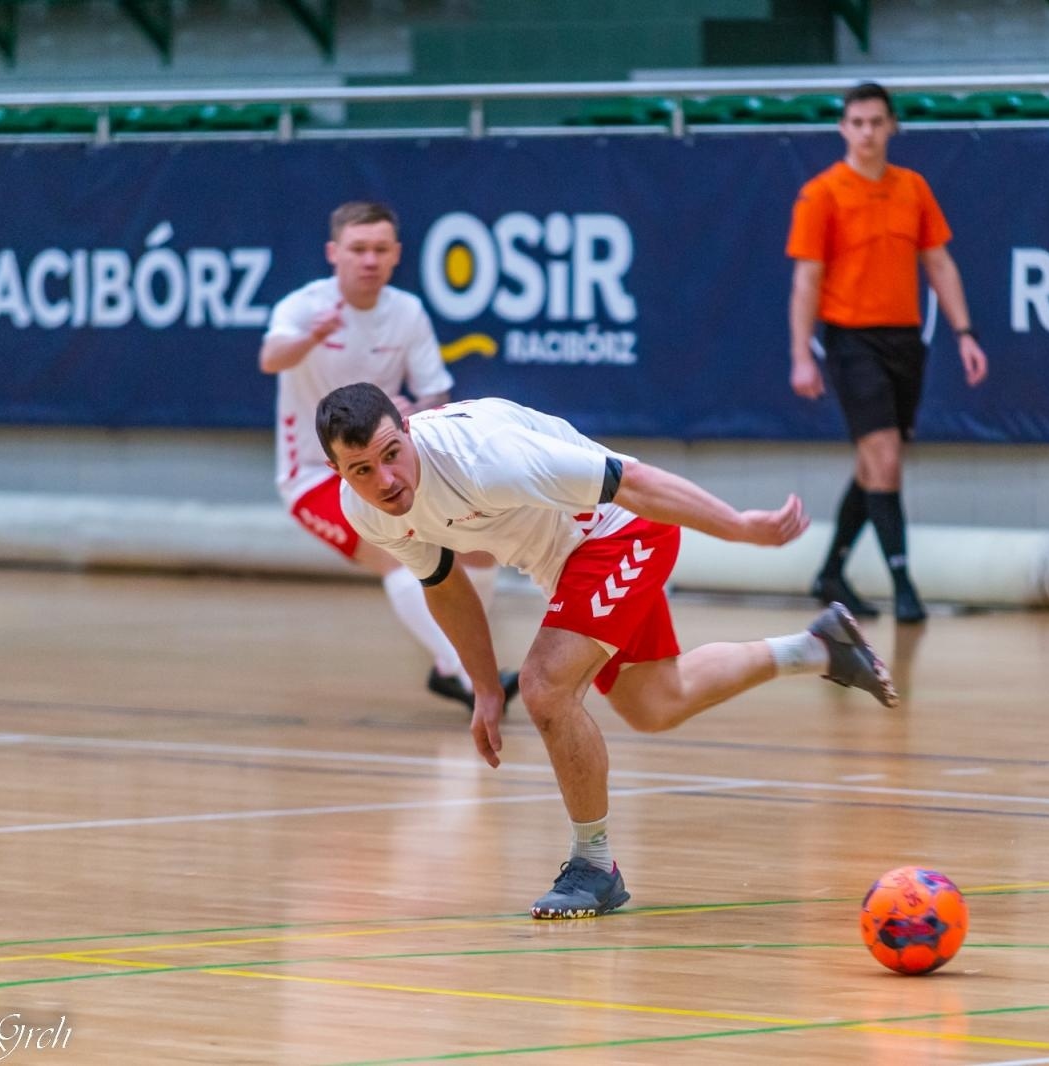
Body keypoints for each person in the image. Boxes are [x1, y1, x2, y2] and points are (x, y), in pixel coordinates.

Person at [317, 382, 898, 919]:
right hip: (562, 563)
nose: (386, 480)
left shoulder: (485, 456)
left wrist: (739, 528)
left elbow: (635, 480)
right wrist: (486, 687)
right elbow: (445, 585)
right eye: (362, 469)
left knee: (547, 688)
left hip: (621, 531)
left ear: (409, 432)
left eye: (392, 455)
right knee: (655, 703)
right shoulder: (364, 509)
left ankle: (594, 866)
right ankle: (820, 649)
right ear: (337, 471)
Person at [259, 201, 515, 709]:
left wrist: (410, 410)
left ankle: (455, 663)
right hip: (315, 475)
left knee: (480, 550)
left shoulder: (407, 313)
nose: (369, 260)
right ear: (334, 253)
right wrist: (314, 336)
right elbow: (270, 358)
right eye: (358, 250)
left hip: (391, 468)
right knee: (397, 556)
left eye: (380, 249)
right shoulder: (304, 307)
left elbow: (436, 396)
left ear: (396, 254)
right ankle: (469, 675)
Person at [787, 80, 988, 624]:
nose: (868, 133)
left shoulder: (913, 188)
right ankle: (904, 583)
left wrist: (964, 332)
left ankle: (830, 573)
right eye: (857, 123)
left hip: (904, 340)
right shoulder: (822, 193)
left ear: (892, 126)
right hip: (851, 340)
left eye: (877, 122)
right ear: (843, 128)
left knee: (875, 462)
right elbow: (807, 279)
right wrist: (802, 355)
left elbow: (939, 263)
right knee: (886, 458)